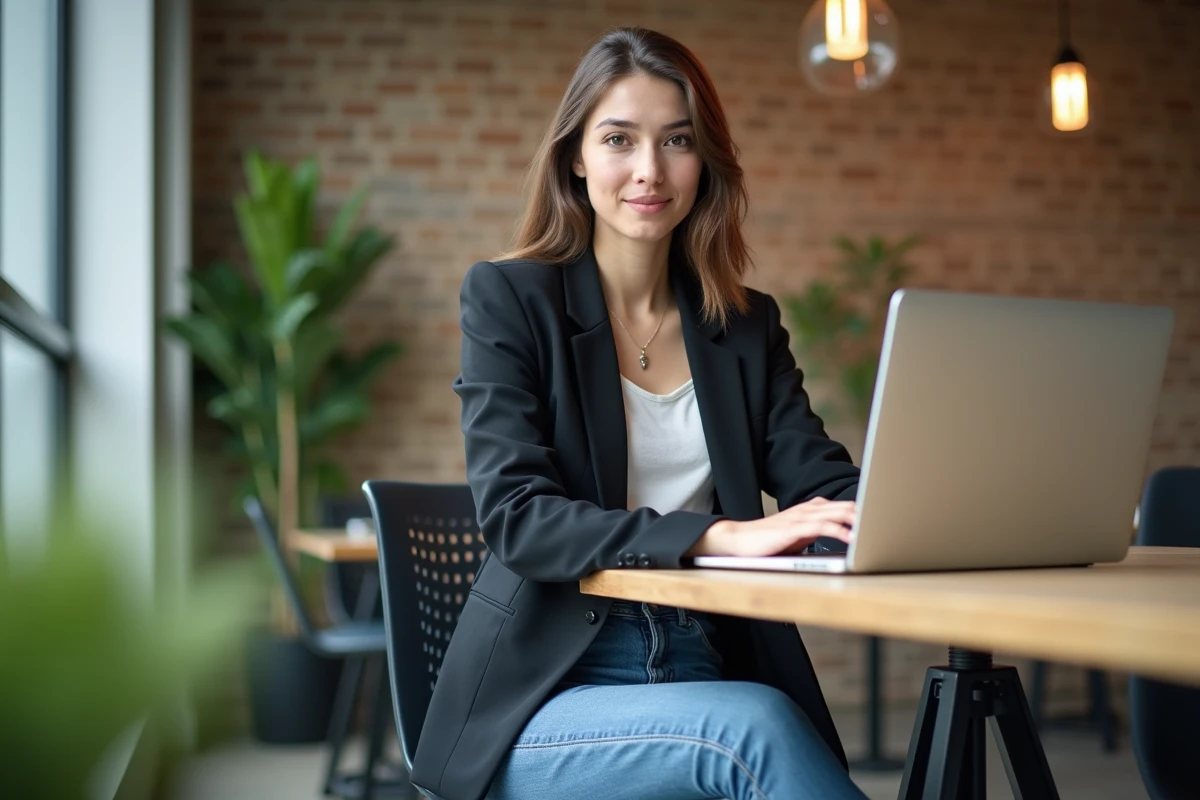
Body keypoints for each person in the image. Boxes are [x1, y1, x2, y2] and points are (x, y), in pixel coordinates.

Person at [412, 26, 869, 800]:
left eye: (677, 140)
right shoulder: (511, 299)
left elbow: (819, 483)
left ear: (706, 161)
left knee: (758, 727)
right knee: (754, 734)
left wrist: (890, 514)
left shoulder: (744, 324)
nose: (649, 170)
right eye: (619, 138)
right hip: (546, 700)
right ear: (576, 157)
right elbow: (519, 517)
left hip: (704, 660)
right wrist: (719, 534)